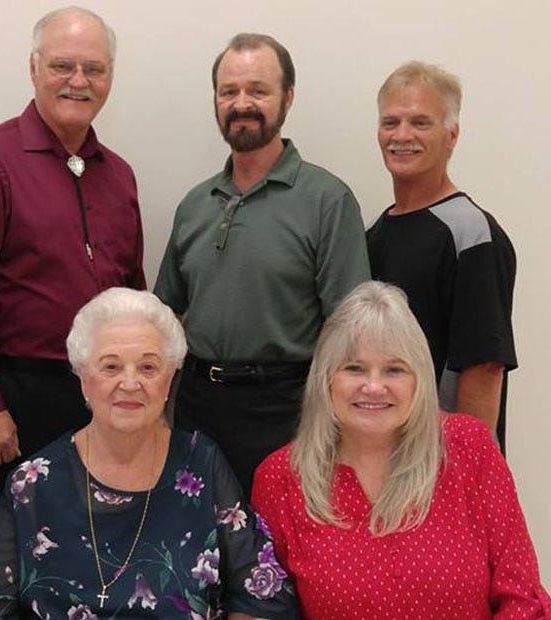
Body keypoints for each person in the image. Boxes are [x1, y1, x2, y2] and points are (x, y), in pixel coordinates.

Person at [0, 288, 300, 619]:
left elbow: (261, 595)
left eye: (148, 368)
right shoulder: (33, 482)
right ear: (83, 378)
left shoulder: (202, 463)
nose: (130, 383)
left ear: (169, 381)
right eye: (111, 367)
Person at [0, 6, 145, 526]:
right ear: (34, 69)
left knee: (105, 540)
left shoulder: (118, 175)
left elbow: (133, 293)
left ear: (110, 78)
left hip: (107, 396)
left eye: (93, 69)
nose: (78, 81)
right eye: (62, 66)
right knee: (21, 549)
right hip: (18, 401)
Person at [251, 281, 551, 619]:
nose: (374, 386)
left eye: (394, 369)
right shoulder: (280, 479)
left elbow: (523, 598)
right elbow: (266, 610)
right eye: (354, 368)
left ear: (419, 381)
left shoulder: (470, 448)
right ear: (326, 379)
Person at [154, 33, 369, 496]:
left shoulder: (326, 200)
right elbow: (166, 314)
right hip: (198, 407)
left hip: (287, 410)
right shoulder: (195, 204)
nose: (241, 103)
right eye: (228, 91)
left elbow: (350, 330)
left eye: (258, 90)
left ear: (288, 97)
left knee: (280, 551)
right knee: (203, 550)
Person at [366, 61, 516, 451]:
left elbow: (484, 365)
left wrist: (464, 471)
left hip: (441, 463)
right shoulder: (374, 235)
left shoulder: (471, 233)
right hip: (385, 459)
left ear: (452, 135)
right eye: (390, 122)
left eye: (420, 122)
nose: (402, 135)